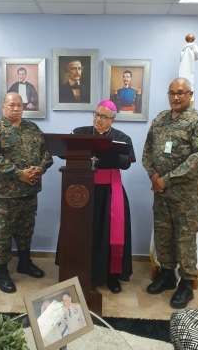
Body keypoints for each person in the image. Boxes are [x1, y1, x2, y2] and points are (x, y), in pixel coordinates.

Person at [142, 77, 198, 309]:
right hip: (161, 193)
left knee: (184, 239)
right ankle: (167, 274)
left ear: (190, 94)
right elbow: (148, 149)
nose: (175, 97)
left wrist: (166, 179)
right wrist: (153, 175)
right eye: (172, 92)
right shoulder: (160, 119)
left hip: (186, 197)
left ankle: (187, 283)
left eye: (181, 92)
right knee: (163, 235)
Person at [56, 100, 135, 294]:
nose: (97, 119)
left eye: (103, 117)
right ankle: (78, 272)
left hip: (109, 191)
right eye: (96, 115)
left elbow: (127, 162)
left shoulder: (122, 138)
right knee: (80, 230)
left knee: (108, 233)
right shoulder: (80, 132)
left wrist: (106, 153)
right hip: (83, 190)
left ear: (112, 120)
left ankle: (111, 276)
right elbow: (64, 153)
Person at [0, 92, 53, 293]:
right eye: (11, 105)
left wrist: (40, 168)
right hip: (3, 196)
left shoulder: (33, 129)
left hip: (28, 193)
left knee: (25, 231)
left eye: (19, 105)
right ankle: (1, 273)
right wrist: (19, 174)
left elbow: (46, 156)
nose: (15, 109)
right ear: (3, 107)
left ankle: (24, 263)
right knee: (1, 235)